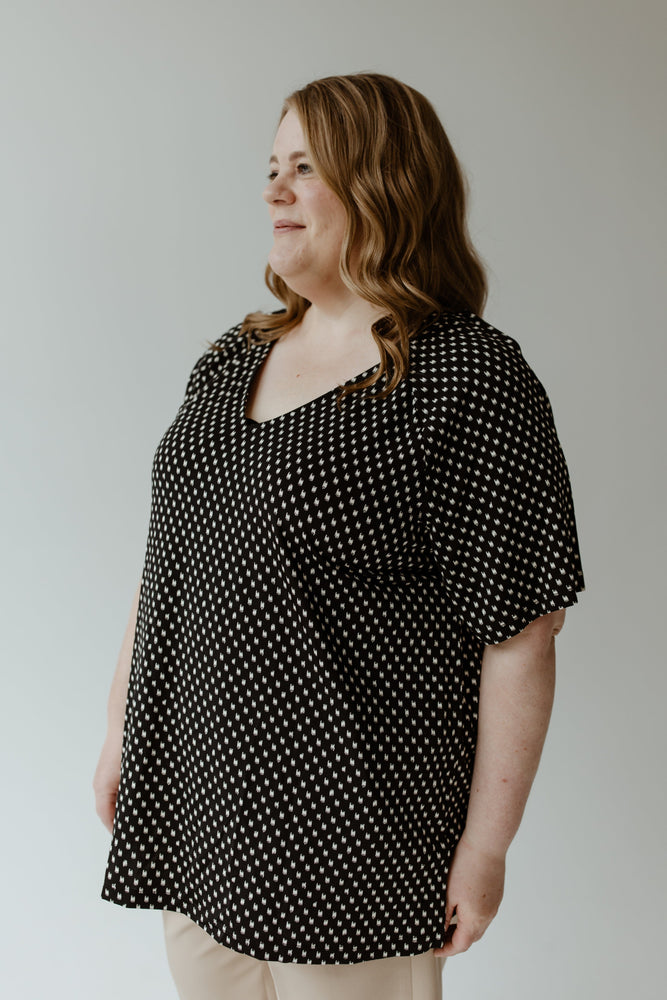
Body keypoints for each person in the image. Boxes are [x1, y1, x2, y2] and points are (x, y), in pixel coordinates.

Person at [93, 72, 586, 1000]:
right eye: (271, 168)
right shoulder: (233, 354)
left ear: (386, 183)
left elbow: (520, 630)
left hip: (354, 835)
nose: (274, 190)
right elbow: (169, 563)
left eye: (306, 167)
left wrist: (483, 849)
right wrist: (124, 731)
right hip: (201, 809)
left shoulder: (463, 378)